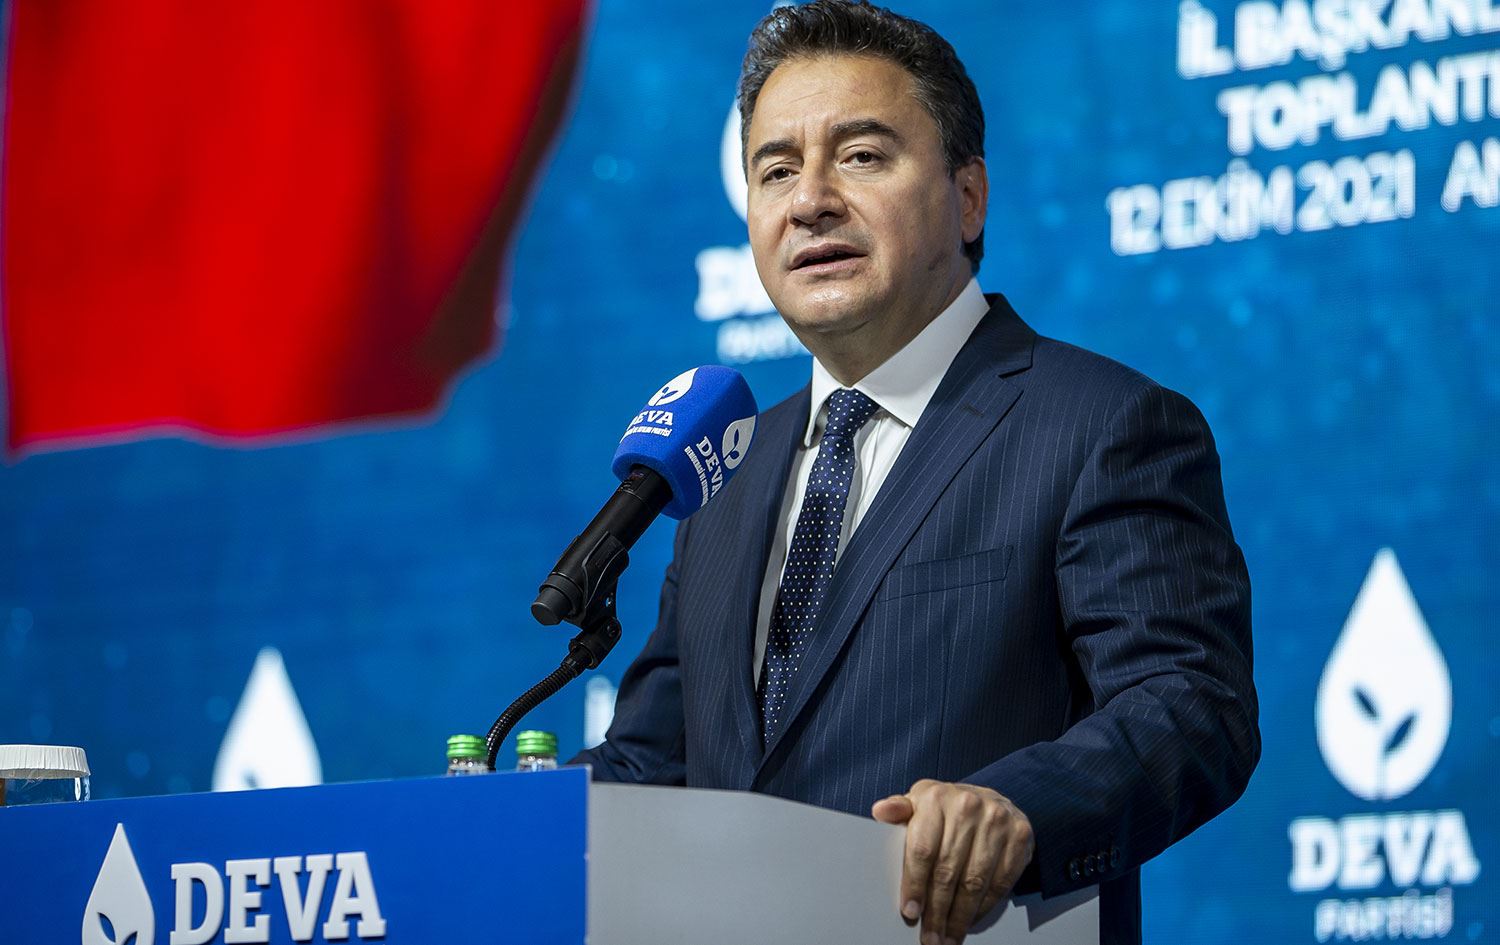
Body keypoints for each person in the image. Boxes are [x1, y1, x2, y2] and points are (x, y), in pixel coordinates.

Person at [574, 3, 1260, 943]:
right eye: (776, 170)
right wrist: (481, 829)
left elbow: (1190, 703)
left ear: (968, 197)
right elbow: (652, 768)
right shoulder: (728, 473)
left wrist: (1019, 807)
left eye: (861, 156)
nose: (810, 200)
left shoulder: (1102, 425)